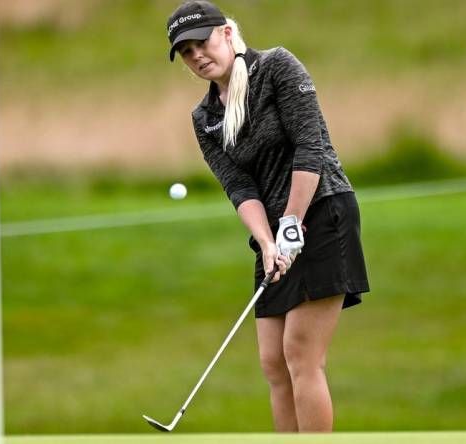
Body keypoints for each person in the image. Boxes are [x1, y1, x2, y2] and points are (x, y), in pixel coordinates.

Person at [166, 1, 370, 432]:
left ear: (225, 33)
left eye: (201, 42)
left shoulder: (278, 67)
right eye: (186, 52)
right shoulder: (205, 118)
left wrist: (293, 222)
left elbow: (310, 149)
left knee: (300, 352)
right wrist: (267, 240)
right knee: (273, 362)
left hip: (321, 209)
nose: (197, 55)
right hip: (275, 230)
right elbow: (240, 187)